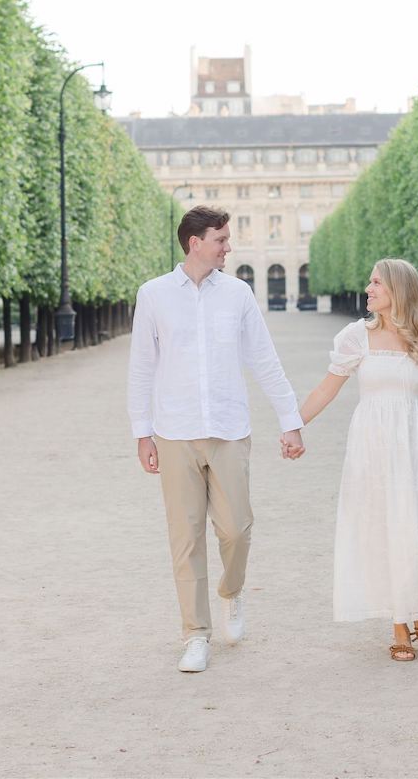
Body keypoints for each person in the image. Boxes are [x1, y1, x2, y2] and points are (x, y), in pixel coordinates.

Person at [128, 205, 306, 673]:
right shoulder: (153, 295)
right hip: (175, 431)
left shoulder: (239, 294)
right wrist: (141, 432)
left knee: (236, 530)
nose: (229, 247)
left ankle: (231, 590)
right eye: (222, 240)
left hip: (229, 429)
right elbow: (142, 368)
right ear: (195, 243)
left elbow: (264, 359)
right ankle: (195, 634)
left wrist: (290, 419)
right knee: (185, 539)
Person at [287, 258, 418, 661]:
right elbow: (327, 388)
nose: (368, 289)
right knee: (387, 529)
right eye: (369, 282)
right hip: (372, 444)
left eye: (376, 283)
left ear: (398, 290)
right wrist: (293, 424)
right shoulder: (357, 336)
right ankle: (400, 626)